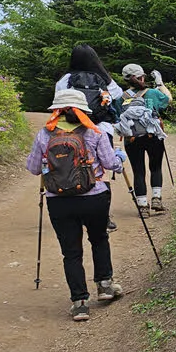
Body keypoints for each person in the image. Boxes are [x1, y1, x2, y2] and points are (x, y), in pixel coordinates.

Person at [26, 88, 127, 322]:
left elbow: (32, 168)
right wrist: (120, 159)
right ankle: (104, 286)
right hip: (94, 197)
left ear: (57, 110)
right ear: (83, 110)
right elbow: (111, 163)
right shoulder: (95, 132)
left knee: (71, 252)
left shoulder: (45, 134)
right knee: (99, 238)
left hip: (58, 201)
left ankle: (80, 302)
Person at [55, 44, 124, 232]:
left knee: (72, 165)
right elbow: (117, 95)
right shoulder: (104, 78)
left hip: (72, 130)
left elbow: (58, 101)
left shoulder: (66, 79)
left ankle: (73, 206)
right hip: (101, 129)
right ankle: (104, 216)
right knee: (100, 170)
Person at [117, 64, 172, 217]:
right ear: (141, 77)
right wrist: (160, 84)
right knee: (155, 167)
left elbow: (116, 117)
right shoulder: (153, 93)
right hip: (152, 136)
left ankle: (142, 207)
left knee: (138, 171)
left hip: (132, 138)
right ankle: (156, 199)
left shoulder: (120, 98)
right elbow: (169, 100)